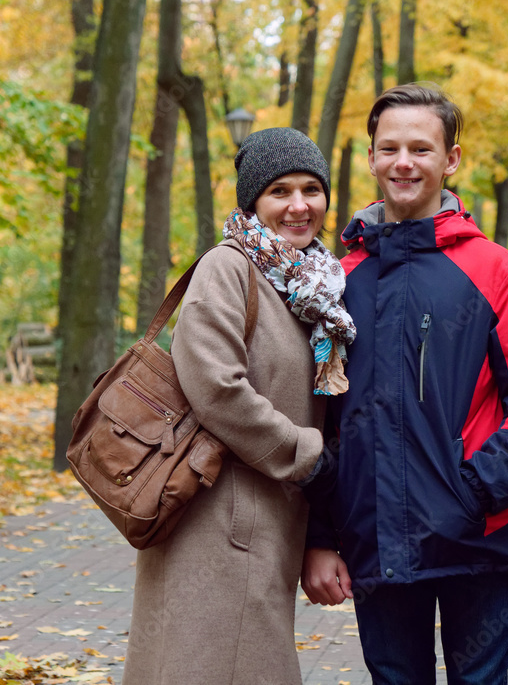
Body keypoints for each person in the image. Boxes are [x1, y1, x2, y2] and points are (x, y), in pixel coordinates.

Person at [300, 84, 508, 685]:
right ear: (370, 157)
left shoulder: (494, 271)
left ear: (450, 159)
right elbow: (320, 419)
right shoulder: (338, 284)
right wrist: (319, 537)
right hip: (373, 540)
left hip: (477, 539)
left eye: (420, 149)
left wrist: (473, 493)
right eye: (389, 148)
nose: (403, 162)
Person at [122, 127, 356, 685]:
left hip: (265, 518)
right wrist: (308, 455)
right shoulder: (229, 269)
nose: (299, 206)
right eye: (280, 191)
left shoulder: (311, 286)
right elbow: (216, 388)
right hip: (216, 518)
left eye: (311, 189)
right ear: (253, 201)